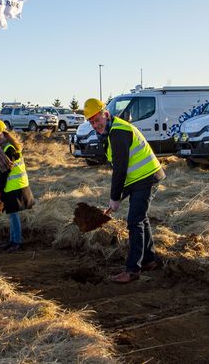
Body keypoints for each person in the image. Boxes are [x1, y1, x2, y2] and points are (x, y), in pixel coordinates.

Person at [84, 98, 166, 284]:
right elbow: (122, 169)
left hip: (147, 177)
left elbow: (120, 169)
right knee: (141, 219)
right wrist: (118, 197)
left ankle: (132, 270)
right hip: (139, 178)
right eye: (92, 122)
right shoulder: (110, 131)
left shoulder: (119, 132)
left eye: (97, 120)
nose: (95, 125)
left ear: (105, 114)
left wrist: (115, 198)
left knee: (134, 221)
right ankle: (149, 260)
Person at [0, 119, 35, 252]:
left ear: (4, 133)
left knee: (13, 215)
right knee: (11, 214)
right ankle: (12, 240)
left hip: (14, 186)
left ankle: (17, 242)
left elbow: (4, 173)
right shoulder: (4, 147)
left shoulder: (8, 149)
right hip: (12, 185)